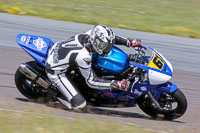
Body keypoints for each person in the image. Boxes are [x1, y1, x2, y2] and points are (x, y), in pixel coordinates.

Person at [45, 24, 142, 110]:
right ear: (96, 42)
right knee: (80, 105)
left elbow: (111, 38)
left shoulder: (90, 34)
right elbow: (91, 81)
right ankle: (54, 95)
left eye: (108, 46)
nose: (107, 49)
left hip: (61, 51)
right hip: (56, 71)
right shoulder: (83, 56)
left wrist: (129, 42)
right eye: (105, 46)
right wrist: (114, 84)